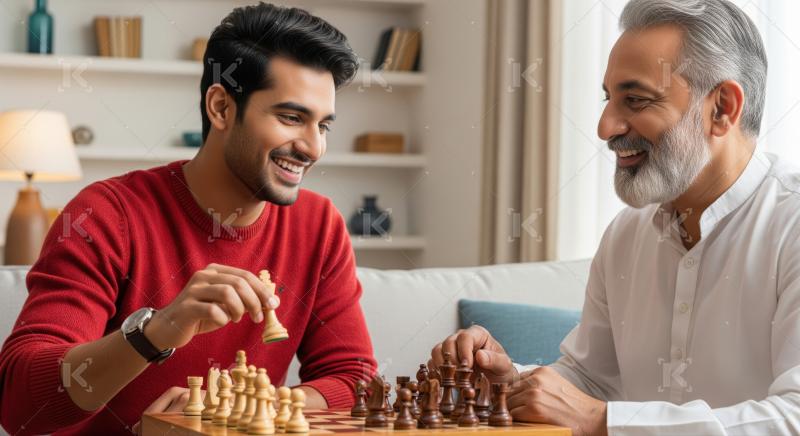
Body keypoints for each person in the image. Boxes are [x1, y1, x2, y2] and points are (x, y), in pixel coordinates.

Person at [0, 3, 377, 434]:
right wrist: (157, 331)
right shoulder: (105, 213)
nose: (313, 147)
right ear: (220, 107)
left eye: (323, 125)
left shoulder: (319, 225)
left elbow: (355, 379)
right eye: (291, 118)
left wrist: (236, 406)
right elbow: (20, 406)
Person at [431, 1, 800, 434]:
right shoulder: (626, 234)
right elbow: (594, 381)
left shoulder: (790, 224)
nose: (606, 127)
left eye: (636, 100)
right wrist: (512, 381)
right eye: (609, 99)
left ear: (722, 108)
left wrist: (601, 421)